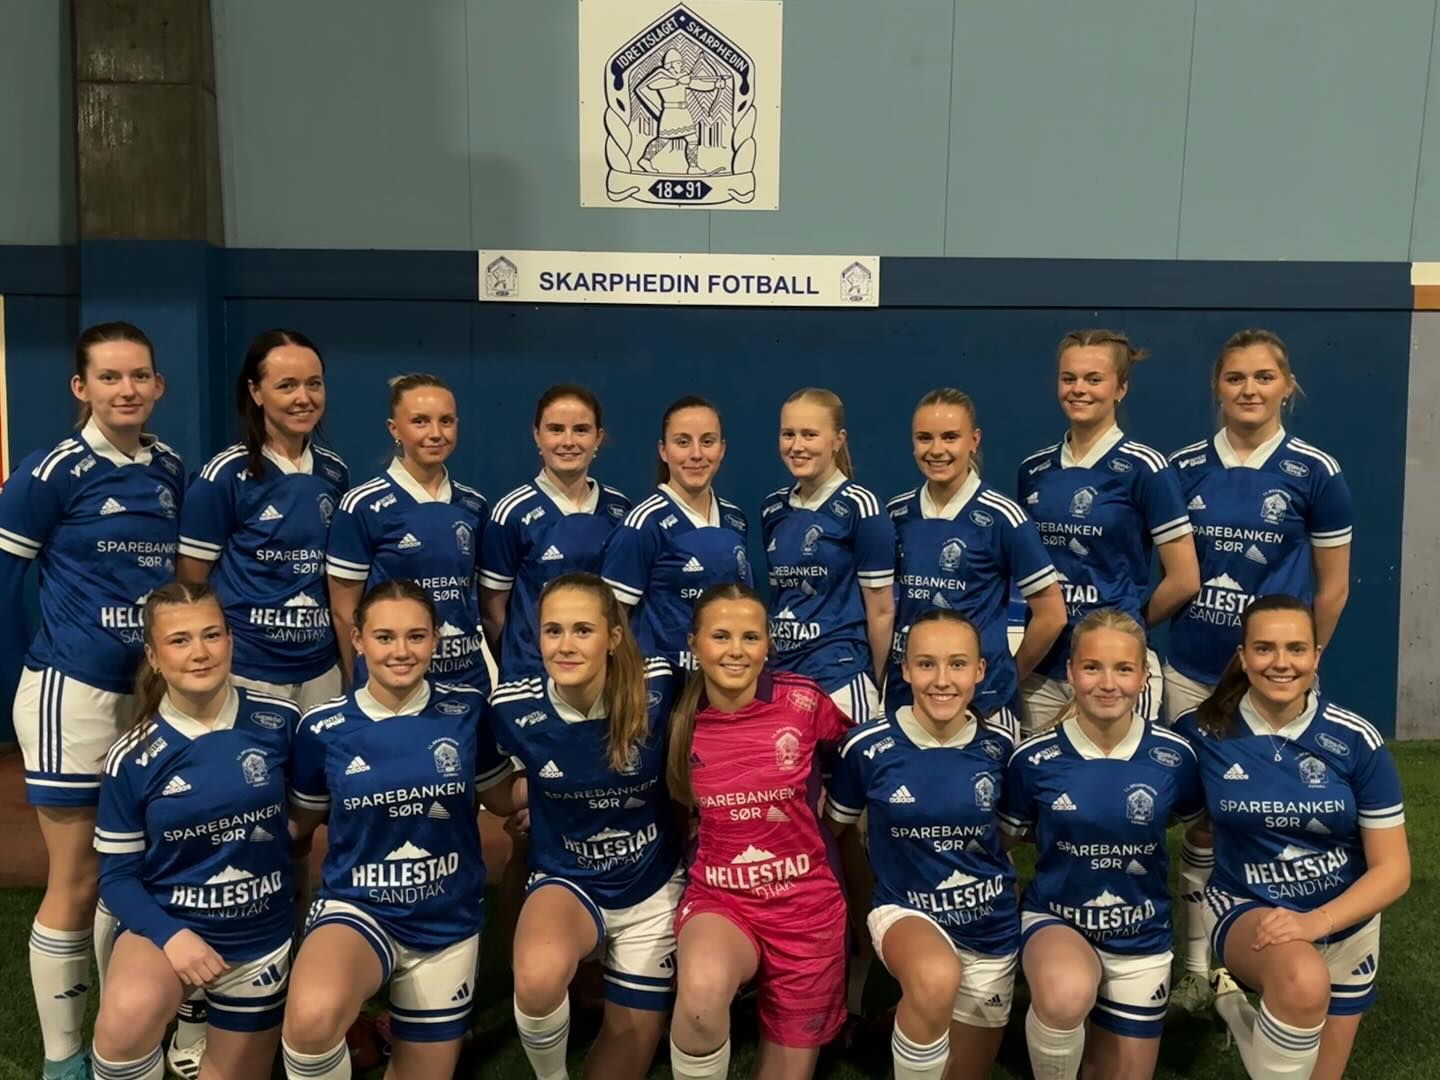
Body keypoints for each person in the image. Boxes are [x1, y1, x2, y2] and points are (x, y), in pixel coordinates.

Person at [0, 321, 184, 1080]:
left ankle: (121, 1033)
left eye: (139, 375)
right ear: (81, 387)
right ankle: (61, 1057)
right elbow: (7, 585)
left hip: (148, 699)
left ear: (159, 385)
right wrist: (29, 671)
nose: (126, 390)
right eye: (109, 377)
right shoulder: (50, 472)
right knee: (76, 878)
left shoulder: (169, 468)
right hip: (71, 694)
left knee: (128, 873)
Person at [1164, 330, 1354, 1012]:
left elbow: (1334, 586)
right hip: (1190, 671)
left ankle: (1269, 948)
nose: (1249, 389)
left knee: (1262, 815)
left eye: (1264, 377)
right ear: (1217, 386)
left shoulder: (1315, 471)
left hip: (1271, 679)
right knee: (1200, 816)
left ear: (1287, 385)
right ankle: (1194, 966)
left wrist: (1302, 663)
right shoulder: (1183, 467)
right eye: (1236, 377)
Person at [281, 580, 522, 1080]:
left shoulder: (467, 710)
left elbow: (502, 796)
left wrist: (567, 790)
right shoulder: (323, 728)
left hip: (447, 918)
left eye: (416, 636)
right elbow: (298, 826)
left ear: (436, 639)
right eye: (385, 637)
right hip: (359, 907)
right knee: (310, 1020)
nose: (401, 651)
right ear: (358, 640)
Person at [1173, 595, 1409, 1080]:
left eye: (1296, 649)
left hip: (1346, 921)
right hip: (1246, 903)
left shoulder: (1356, 740)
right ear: (1243, 657)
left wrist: (1315, 922)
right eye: (1264, 648)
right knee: (1302, 982)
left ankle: (1233, 1009)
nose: (1281, 663)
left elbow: (1393, 870)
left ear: (1316, 656)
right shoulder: (1202, 732)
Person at [91, 582, 299, 1080]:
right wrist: (171, 935)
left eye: (211, 635)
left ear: (230, 640)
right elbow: (116, 877)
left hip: (260, 937)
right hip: (169, 926)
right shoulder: (132, 757)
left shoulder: (281, 723)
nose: (200, 652)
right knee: (125, 1023)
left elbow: (306, 825)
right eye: (180, 640)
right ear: (153, 656)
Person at [490, 572, 680, 1079]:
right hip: (568, 878)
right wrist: (537, 795)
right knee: (536, 979)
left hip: (651, 888)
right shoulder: (512, 707)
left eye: (583, 630)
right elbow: (493, 790)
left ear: (613, 637)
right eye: (553, 631)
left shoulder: (659, 685)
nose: (566, 645)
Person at [999, 609, 1204, 1080]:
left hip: (1142, 932)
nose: (1108, 684)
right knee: (1065, 995)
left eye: (1123, 669)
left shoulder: (1175, 757)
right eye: (1092, 668)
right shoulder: (1033, 759)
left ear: (1144, 676)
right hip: (1058, 919)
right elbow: (1003, 841)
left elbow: (1200, 828)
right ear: (1071, 672)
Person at [666, 583, 851, 1080]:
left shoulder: (803, 702)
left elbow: (856, 758)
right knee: (701, 996)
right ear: (694, 644)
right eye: (720, 636)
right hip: (722, 899)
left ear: (768, 643)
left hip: (807, 908)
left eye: (750, 637)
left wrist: (835, 816)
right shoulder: (677, 719)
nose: (736, 650)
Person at [826, 610, 1021, 1080]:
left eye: (958, 664)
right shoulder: (866, 747)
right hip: (905, 911)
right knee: (935, 977)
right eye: (927, 664)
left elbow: (1006, 837)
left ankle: (892, 1020)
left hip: (989, 925)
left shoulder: (1001, 749)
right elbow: (835, 831)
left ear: (980, 670)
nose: (942, 680)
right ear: (906, 670)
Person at [1016, 328, 1199, 735]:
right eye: (1069, 378)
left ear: (1121, 388)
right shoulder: (1034, 470)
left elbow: (1185, 578)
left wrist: (1126, 620)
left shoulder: (1146, 468)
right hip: (1043, 671)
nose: (1078, 389)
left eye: (1094, 379)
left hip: (1113, 669)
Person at [177, 329, 349, 712]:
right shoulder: (223, 475)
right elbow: (191, 584)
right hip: (247, 670)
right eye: (287, 385)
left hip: (321, 669)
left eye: (314, 384)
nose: (303, 397)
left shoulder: (335, 473)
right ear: (256, 392)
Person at [886, 388, 1065, 716]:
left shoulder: (1003, 517)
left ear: (974, 440)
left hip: (983, 705)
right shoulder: (896, 514)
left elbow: (1052, 614)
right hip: (907, 700)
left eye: (950, 437)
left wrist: (1007, 678)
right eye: (924, 438)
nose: (936, 450)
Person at [326, 373, 491, 692]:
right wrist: (361, 680)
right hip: (394, 683)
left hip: (467, 680)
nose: (436, 433)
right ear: (394, 429)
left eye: (446, 421)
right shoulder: (361, 506)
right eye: (420, 421)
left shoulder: (474, 506)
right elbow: (344, 612)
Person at [762, 387, 894, 724]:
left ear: (838, 440)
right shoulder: (772, 509)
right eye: (788, 434)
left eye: (810, 434)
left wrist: (879, 686)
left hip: (840, 681)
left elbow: (881, 611)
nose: (797, 446)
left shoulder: (862, 507)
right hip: (780, 678)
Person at [480, 385, 630, 678]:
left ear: (598, 438)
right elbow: (492, 610)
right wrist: (520, 664)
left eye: (581, 430)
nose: (568, 441)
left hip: (603, 676)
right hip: (532, 676)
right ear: (537, 435)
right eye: (556, 429)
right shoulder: (511, 513)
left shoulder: (620, 510)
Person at [602, 396, 750, 671]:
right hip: (662, 685)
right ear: (663, 450)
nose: (696, 454)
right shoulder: (643, 525)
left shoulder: (735, 520)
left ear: (722, 449)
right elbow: (612, 620)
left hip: (722, 681)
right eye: (683, 442)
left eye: (707, 441)